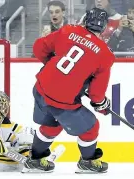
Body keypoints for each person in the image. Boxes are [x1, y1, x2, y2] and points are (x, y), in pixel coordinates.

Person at [25, 7, 115, 173]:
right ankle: (87, 162)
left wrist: (52, 65)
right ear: (103, 27)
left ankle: (35, 160)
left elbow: (39, 47)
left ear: (86, 20)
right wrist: (102, 105)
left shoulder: (68, 30)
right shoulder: (105, 54)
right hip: (62, 101)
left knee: (52, 124)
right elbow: (96, 95)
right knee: (91, 128)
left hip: (41, 89)